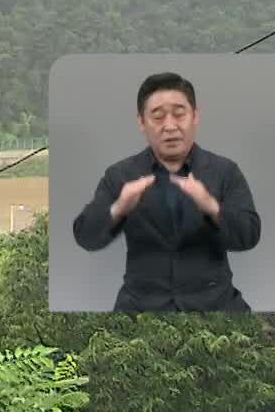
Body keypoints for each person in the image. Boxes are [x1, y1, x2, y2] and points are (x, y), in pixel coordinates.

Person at [71, 71, 262, 311]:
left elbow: (249, 236)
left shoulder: (224, 171)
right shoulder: (120, 175)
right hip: (140, 308)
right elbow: (85, 236)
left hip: (216, 304)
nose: (170, 126)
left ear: (195, 116)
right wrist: (119, 208)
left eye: (179, 114)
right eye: (158, 117)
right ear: (141, 122)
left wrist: (210, 206)